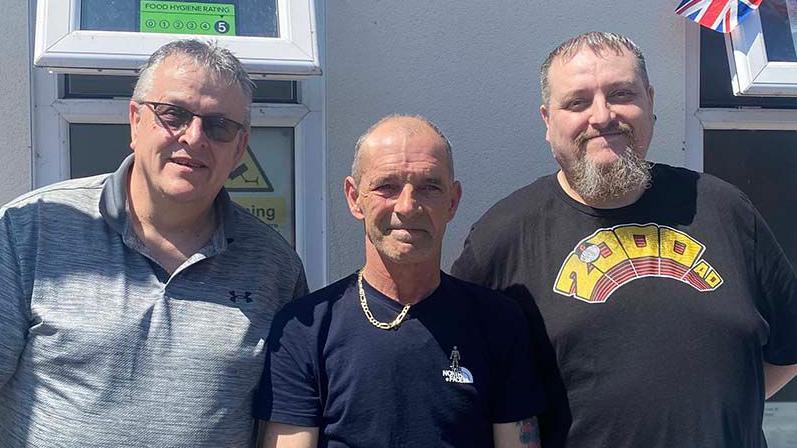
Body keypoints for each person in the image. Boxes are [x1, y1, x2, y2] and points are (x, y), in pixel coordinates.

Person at [452, 31, 797, 448]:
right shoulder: (503, 236)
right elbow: (464, 385)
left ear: (650, 102)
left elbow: (786, 349)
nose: (602, 116)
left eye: (621, 93)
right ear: (547, 120)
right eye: (577, 102)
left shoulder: (723, 208)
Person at [0, 40, 307, 447]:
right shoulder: (30, 229)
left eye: (218, 126)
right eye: (174, 114)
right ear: (135, 121)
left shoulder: (274, 266)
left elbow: (285, 419)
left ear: (239, 149)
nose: (194, 138)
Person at [256, 115, 545, 447]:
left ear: (452, 201)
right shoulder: (304, 329)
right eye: (386, 186)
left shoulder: (499, 321)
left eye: (429, 187)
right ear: (354, 197)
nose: (408, 206)